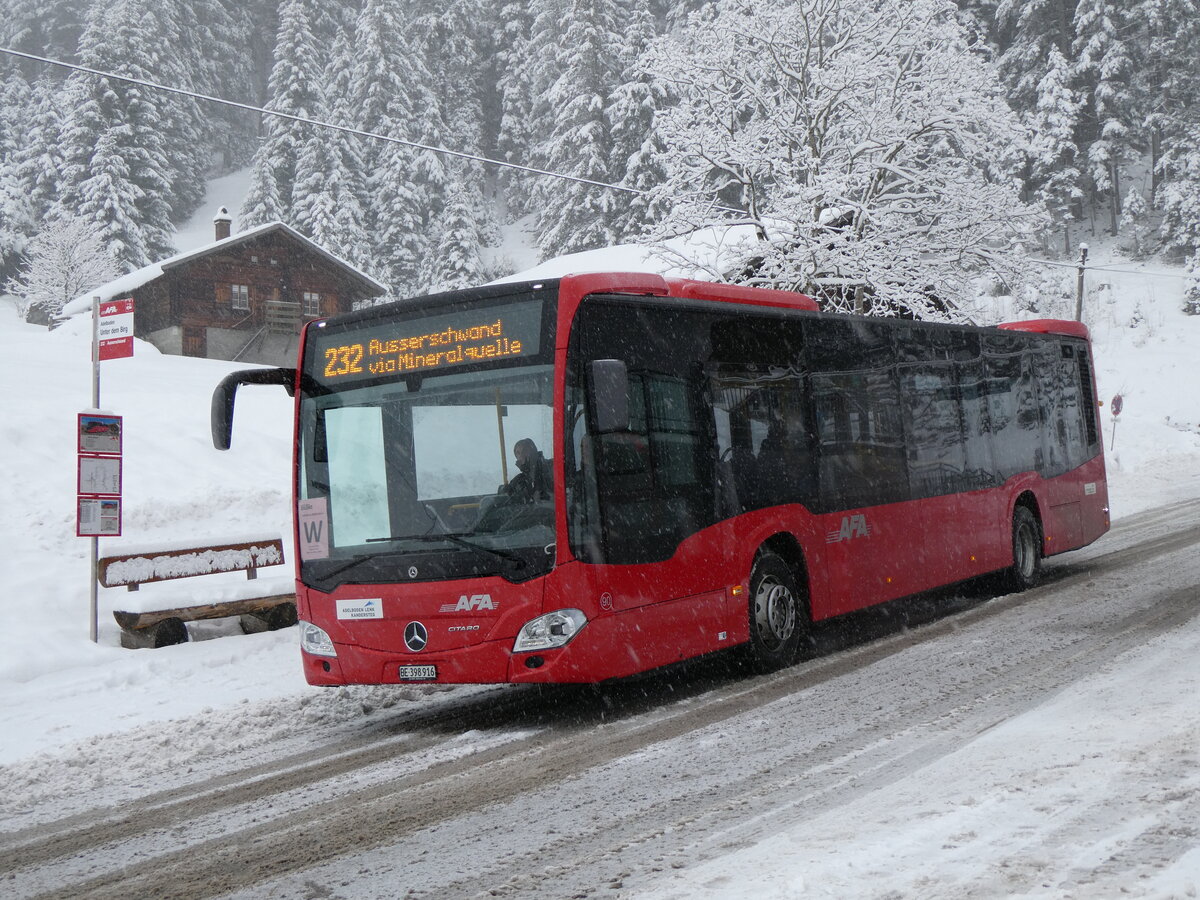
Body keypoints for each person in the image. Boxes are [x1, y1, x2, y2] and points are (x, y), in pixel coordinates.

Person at [502, 438, 552, 502]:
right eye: (518, 453)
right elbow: (505, 497)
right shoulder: (519, 480)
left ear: (533, 451)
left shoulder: (550, 467)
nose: (521, 455)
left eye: (525, 450)